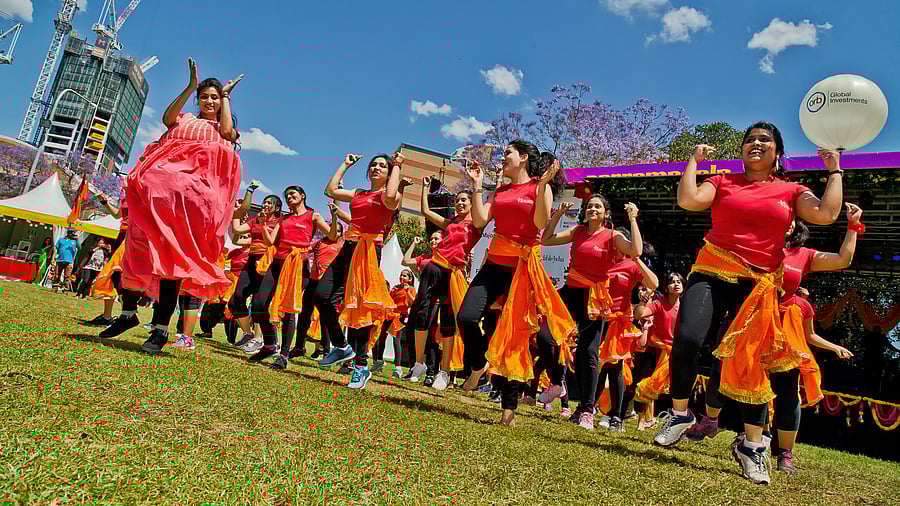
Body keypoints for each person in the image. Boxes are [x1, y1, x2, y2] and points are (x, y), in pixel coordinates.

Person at [653, 122, 843, 485]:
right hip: (712, 269)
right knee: (689, 339)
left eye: (764, 140)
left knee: (750, 362)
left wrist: (834, 170)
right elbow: (688, 200)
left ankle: (752, 447)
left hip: (756, 285)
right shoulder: (723, 181)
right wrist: (693, 163)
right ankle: (679, 414)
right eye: (749, 140)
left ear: (777, 152)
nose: (755, 144)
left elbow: (825, 214)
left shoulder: (791, 190)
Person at [99, 58, 244, 354]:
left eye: (214, 97)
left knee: (171, 267)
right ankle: (127, 314)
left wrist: (226, 97)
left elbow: (229, 133)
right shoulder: (185, 120)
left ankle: (161, 329)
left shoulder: (221, 129)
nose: (209, 101)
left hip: (187, 211)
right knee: (135, 254)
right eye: (204, 96)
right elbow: (168, 118)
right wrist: (191, 85)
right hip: (156, 203)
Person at [457, 142, 572, 426]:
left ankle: (508, 409)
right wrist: (476, 185)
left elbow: (541, 222)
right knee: (467, 317)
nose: (503, 158)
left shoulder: (537, 187)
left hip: (521, 269)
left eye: (508, 152)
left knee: (515, 334)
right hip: (495, 263)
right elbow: (481, 220)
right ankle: (479, 363)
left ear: (522, 158)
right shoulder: (502, 190)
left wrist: (544, 184)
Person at [539, 194, 646, 432]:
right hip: (571, 290)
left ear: (606, 213)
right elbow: (546, 239)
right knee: (545, 336)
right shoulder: (577, 231)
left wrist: (633, 219)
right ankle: (557, 384)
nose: (592, 209)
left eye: (597, 206)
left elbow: (636, 250)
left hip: (595, 297)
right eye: (589, 206)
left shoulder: (612, 236)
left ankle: (587, 409)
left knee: (587, 352)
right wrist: (557, 214)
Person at [318, 152, 406, 391]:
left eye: (382, 166)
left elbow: (389, 194)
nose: (376, 168)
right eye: (373, 165)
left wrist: (397, 165)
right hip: (348, 247)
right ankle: (341, 346)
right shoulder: (359, 194)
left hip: (368, 250)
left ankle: (361, 366)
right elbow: (331, 191)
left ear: (389, 174)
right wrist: (344, 164)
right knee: (321, 296)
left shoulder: (392, 196)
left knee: (361, 309)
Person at [406, 185, 482, 391]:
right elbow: (425, 212)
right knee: (421, 314)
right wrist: (423, 189)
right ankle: (419, 363)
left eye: (464, 200)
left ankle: (445, 371)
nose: (459, 203)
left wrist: (485, 184)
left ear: (472, 203)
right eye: (457, 200)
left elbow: (485, 209)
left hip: (453, 273)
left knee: (449, 321)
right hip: (434, 267)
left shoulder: (477, 223)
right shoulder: (451, 222)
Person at [260, 187, 338, 368]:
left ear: (302, 195)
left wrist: (334, 217)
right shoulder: (284, 218)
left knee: (288, 308)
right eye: (286, 195)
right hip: (278, 264)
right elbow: (269, 242)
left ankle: (284, 355)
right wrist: (264, 223)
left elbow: (333, 235)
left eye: (292, 193)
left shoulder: (313, 216)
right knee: (259, 303)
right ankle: (271, 344)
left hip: (298, 266)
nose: (289, 197)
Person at [228, 194, 282, 351]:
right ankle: (248, 333)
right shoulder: (256, 220)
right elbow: (237, 229)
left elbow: (270, 242)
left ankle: (261, 339)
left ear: (277, 208)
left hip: (269, 263)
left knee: (260, 302)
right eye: (264, 202)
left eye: (269, 203)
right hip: (251, 261)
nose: (265, 205)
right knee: (235, 300)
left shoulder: (280, 222)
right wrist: (236, 214)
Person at [633, 272, 684, 428]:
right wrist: (644, 300)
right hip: (655, 350)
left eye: (679, 282)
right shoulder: (659, 302)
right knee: (646, 384)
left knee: (678, 388)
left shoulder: (687, 306)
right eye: (672, 282)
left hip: (676, 352)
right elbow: (639, 314)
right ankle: (642, 419)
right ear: (666, 288)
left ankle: (677, 422)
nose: (676, 284)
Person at [290, 219, 346, 361]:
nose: (335, 232)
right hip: (313, 281)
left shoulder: (342, 245)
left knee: (326, 318)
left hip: (330, 285)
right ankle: (298, 347)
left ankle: (326, 350)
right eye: (333, 229)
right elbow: (305, 249)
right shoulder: (320, 242)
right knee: (304, 315)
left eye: (338, 230)